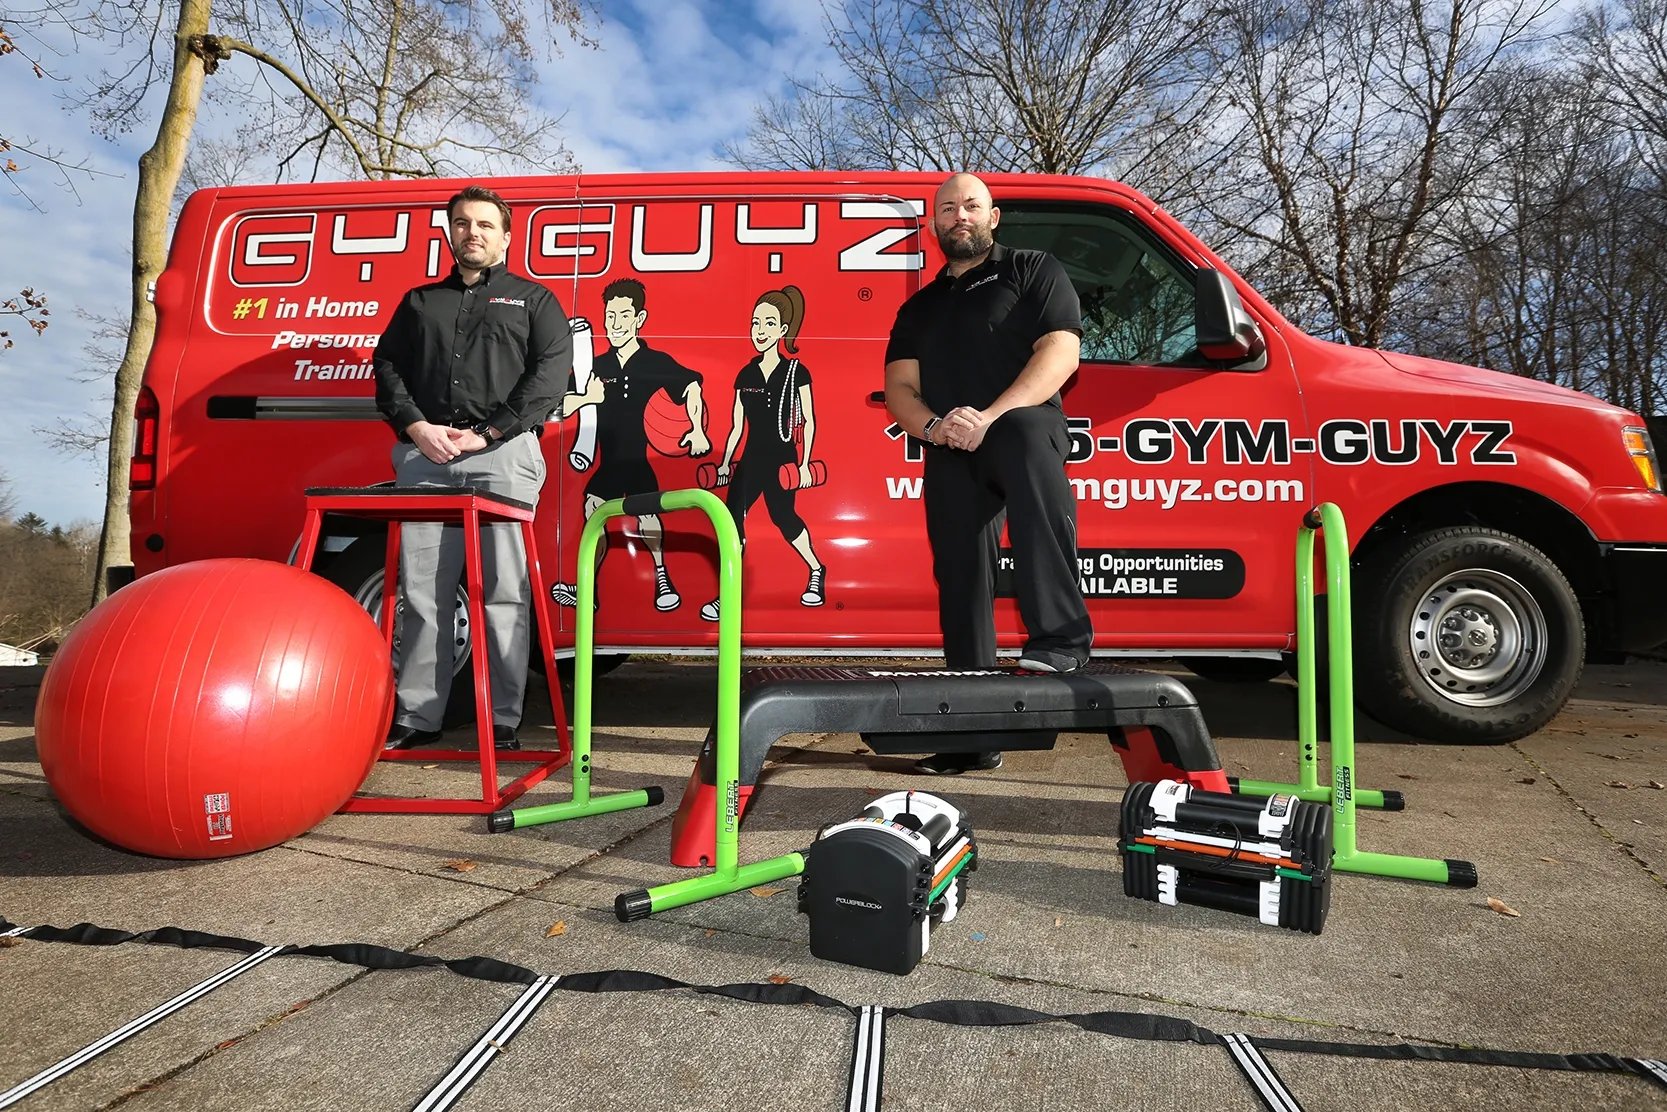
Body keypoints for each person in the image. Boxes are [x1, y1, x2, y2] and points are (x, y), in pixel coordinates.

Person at [884, 172, 1093, 774]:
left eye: (972, 205)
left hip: (1020, 424)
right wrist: (935, 428)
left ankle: (1061, 639)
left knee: (1025, 439)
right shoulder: (919, 306)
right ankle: (972, 733)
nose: (960, 215)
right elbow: (899, 387)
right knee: (960, 573)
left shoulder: (1033, 268)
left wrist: (991, 416)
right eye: (948, 207)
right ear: (935, 223)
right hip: (952, 441)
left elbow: (1060, 351)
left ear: (992, 217)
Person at [372, 185, 571, 750]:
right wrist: (416, 427)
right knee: (423, 593)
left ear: (506, 238)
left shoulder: (535, 301)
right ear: (450, 232)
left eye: (485, 224)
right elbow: (387, 366)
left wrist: (488, 432)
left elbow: (550, 377)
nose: (473, 232)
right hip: (428, 457)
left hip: (502, 457)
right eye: (462, 223)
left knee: (504, 591)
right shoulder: (419, 302)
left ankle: (502, 720)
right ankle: (417, 717)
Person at [552, 278, 710, 612]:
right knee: (593, 513)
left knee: (648, 517)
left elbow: (692, 385)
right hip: (609, 464)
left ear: (639, 319)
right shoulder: (597, 367)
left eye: (624, 316)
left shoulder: (654, 362)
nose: (615, 324)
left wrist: (697, 430)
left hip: (638, 461)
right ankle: (588, 591)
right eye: (610, 316)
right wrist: (586, 398)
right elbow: (556, 406)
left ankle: (662, 577)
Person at [700, 284, 826, 622]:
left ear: (782, 330)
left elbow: (809, 420)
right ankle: (729, 593)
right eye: (755, 323)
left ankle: (816, 569)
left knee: (783, 518)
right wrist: (725, 463)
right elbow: (736, 427)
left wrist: (803, 465)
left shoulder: (797, 372)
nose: (760, 330)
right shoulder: (746, 374)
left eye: (768, 323)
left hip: (782, 459)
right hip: (751, 459)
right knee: (731, 521)